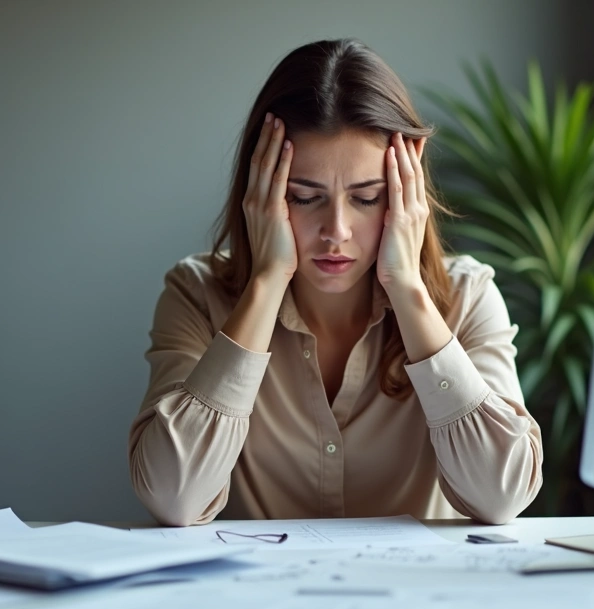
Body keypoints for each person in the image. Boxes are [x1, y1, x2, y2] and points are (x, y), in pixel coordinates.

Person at [128, 38, 542, 527]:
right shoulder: (196, 295)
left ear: (404, 198)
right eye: (304, 198)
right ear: (260, 195)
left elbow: (501, 496)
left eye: (367, 198)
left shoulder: (468, 297)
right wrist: (266, 281)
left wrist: (406, 287)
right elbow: (174, 498)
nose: (337, 232)